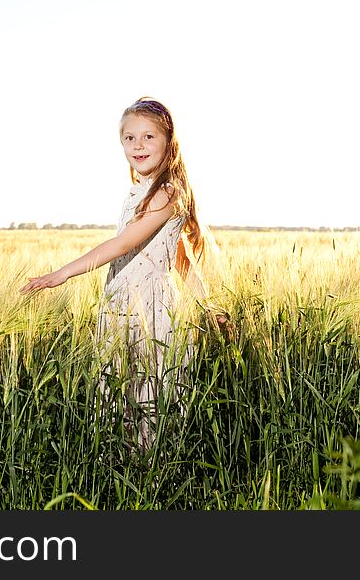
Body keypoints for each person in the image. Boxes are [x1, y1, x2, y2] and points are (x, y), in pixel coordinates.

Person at [19, 97, 227, 453]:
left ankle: (149, 478)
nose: (138, 145)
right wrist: (206, 303)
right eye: (129, 138)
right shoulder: (140, 192)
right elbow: (178, 255)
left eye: (148, 137)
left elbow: (121, 245)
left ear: (168, 142)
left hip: (150, 309)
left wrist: (63, 274)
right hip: (120, 305)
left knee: (149, 400)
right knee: (119, 397)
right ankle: (123, 477)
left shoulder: (167, 192)